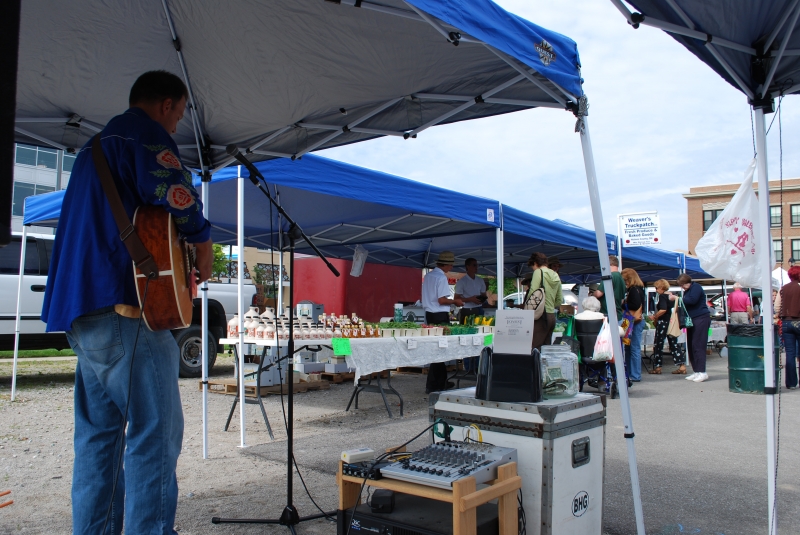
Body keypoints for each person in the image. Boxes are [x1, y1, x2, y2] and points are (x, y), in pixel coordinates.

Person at [41, 71, 213, 534]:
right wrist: (202, 242)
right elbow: (175, 195)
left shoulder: (92, 150)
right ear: (166, 105)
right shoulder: (144, 134)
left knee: (99, 438)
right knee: (154, 435)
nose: (175, 127)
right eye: (177, 116)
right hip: (125, 310)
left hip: (81, 311)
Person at [422, 251, 464, 393]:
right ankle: (436, 383)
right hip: (439, 315)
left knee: (436, 348)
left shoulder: (428, 276)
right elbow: (441, 300)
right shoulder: (441, 278)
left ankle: (438, 382)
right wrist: (455, 301)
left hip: (429, 314)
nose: (451, 267)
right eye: (450, 264)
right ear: (447, 265)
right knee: (441, 348)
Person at [647, 279, 687, 374]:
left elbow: (663, 309)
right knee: (674, 344)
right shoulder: (672, 296)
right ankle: (681, 365)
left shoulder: (662, 296)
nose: (656, 290)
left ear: (661, 287)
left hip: (663, 322)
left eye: (656, 288)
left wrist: (655, 316)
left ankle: (658, 367)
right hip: (671, 322)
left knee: (658, 344)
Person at [678, 274, 711, 382]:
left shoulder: (696, 287)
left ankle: (702, 371)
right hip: (692, 320)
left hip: (701, 318)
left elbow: (692, 300)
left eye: (682, 285)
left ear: (687, 283)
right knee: (692, 345)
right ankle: (696, 370)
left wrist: (678, 299)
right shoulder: (688, 290)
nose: (682, 287)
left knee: (698, 344)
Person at [527, 252, 563, 351]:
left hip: (540, 316)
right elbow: (559, 299)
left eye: (532, 266)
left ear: (535, 263)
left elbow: (533, 292)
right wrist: (550, 305)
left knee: (534, 348)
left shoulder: (538, 272)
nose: (533, 269)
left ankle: (534, 367)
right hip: (551, 316)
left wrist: (527, 309)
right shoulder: (555, 274)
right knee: (546, 349)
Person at [621, 268, 645, 382]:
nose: (624, 282)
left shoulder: (634, 290)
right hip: (637, 321)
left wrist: (623, 304)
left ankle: (634, 375)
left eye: (625, 280)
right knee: (631, 347)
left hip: (634, 321)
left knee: (633, 348)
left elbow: (635, 305)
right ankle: (632, 373)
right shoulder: (640, 289)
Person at [778, 266, 800, 389]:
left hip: (786, 321)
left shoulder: (784, 288)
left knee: (789, 353)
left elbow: (777, 307)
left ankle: (791, 382)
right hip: (798, 320)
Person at [454, 257, 487, 324]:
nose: (476, 267)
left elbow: (484, 294)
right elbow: (456, 298)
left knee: (481, 329)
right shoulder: (462, 282)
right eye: (474, 265)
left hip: (479, 308)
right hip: (467, 309)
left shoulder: (480, 280)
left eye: (477, 265)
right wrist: (470, 299)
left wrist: (481, 300)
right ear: (467, 266)